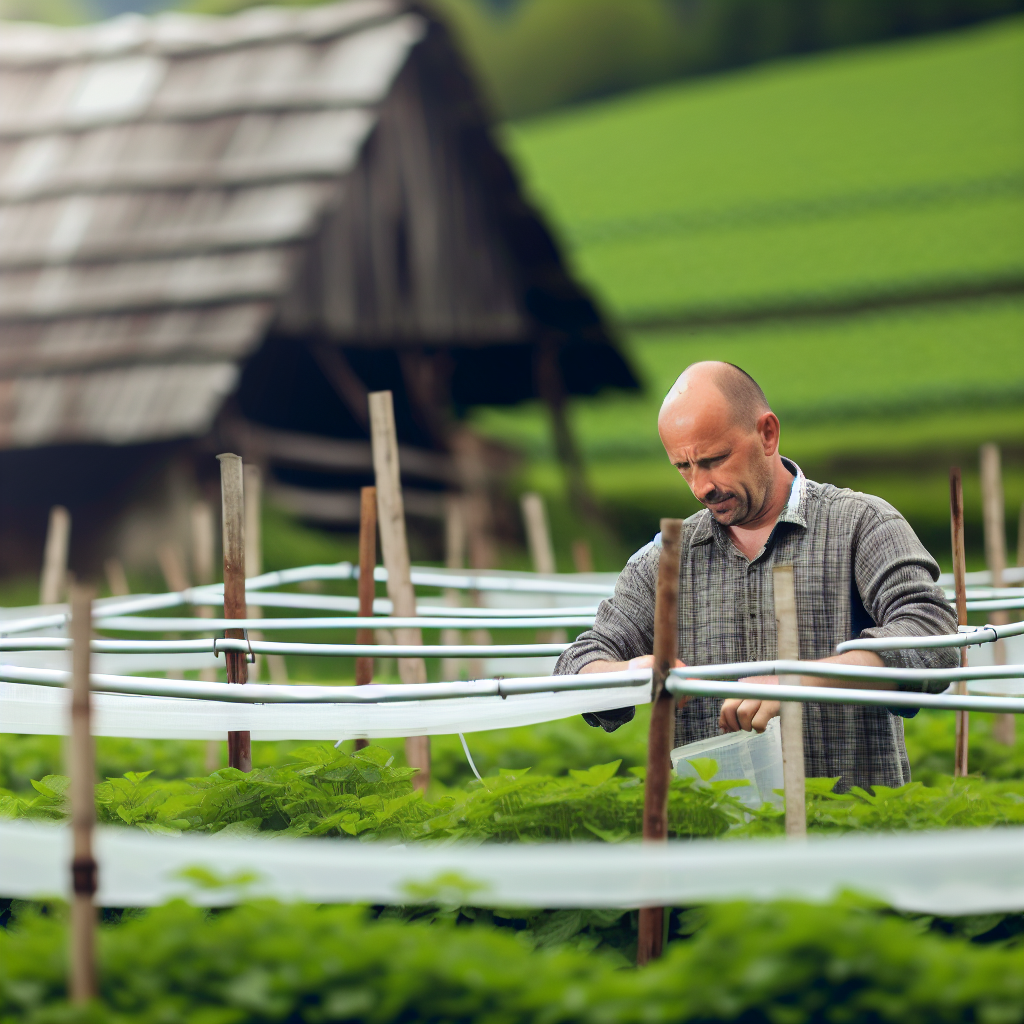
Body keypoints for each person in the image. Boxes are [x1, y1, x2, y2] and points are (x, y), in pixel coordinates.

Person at [555, 361, 957, 791]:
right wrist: (630, 672)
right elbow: (576, 665)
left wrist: (801, 679)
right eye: (684, 467)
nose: (701, 486)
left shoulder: (859, 524)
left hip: (851, 836)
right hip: (718, 846)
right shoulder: (668, 559)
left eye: (715, 460)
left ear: (767, 433)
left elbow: (932, 637)